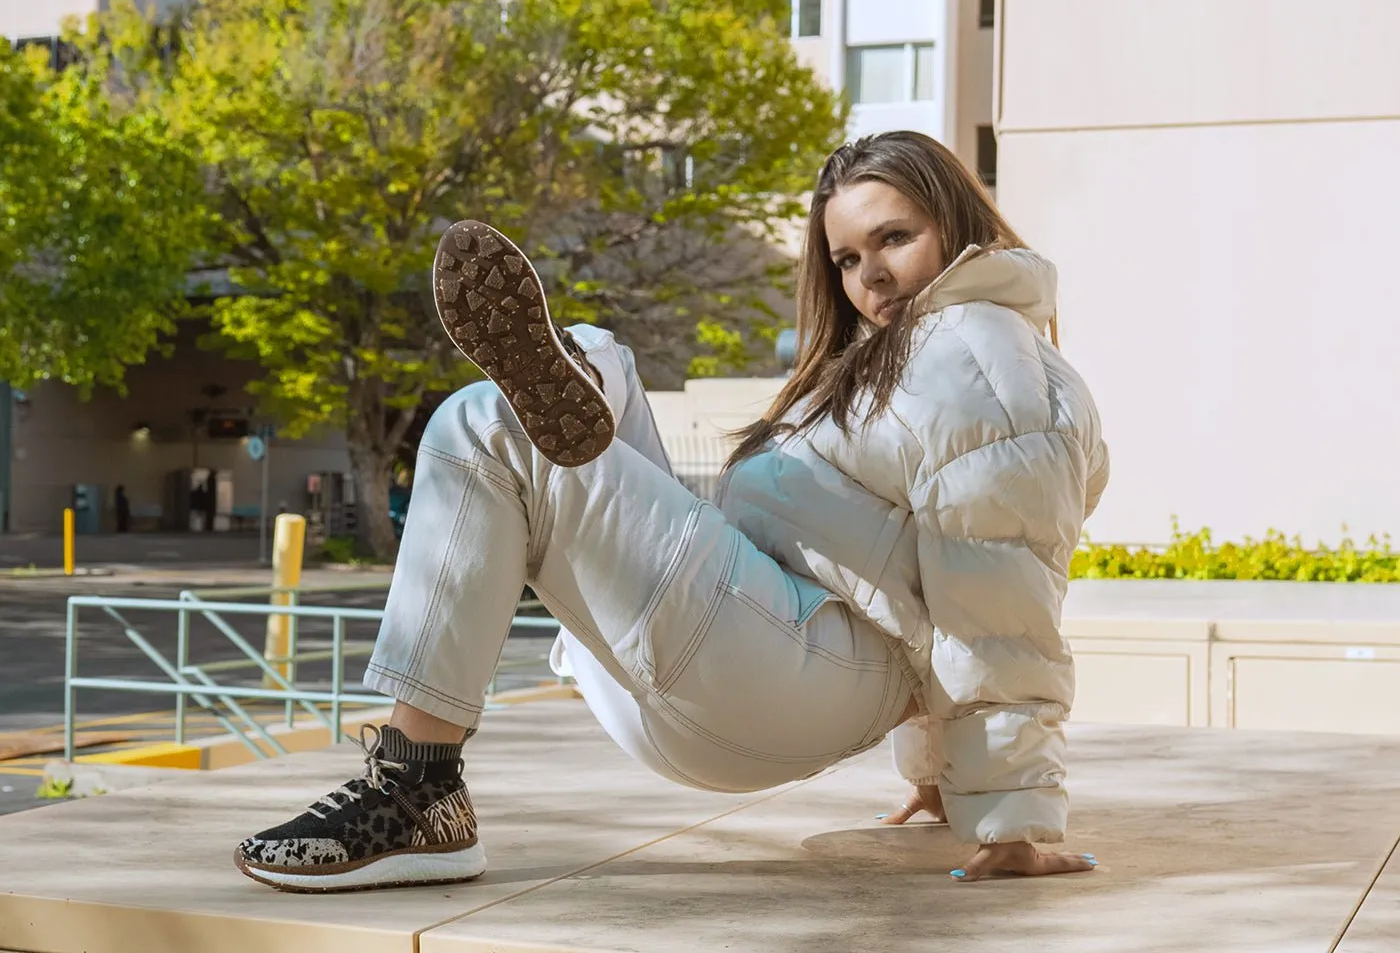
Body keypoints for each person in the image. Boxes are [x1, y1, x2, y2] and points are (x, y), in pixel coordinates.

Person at [234, 131, 1108, 893]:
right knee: (564, 380)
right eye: (845, 258)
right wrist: (942, 774)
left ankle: (413, 785)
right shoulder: (907, 356)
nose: (869, 274)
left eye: (894, 239)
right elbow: (923, 566)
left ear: (955, 224)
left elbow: (999, 603)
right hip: (746, 649)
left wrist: (1010, 813)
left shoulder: (982, 356)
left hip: (791, 673)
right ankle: (579, 380)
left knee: (490, 426)